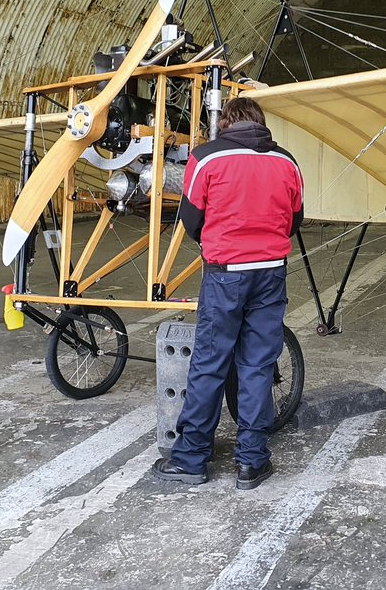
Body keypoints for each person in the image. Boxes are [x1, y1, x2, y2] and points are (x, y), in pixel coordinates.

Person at [153, 97, 303, 490]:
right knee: (257, 365)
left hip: (225, 275)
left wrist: (219, 243)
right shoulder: (287, 161)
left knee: (209, 363)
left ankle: (191, 459)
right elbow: (295, 219)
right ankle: (252, 462)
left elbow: (191, 219)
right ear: (260, 123)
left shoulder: (206, 158)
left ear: (226, 123)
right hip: (270, 273)